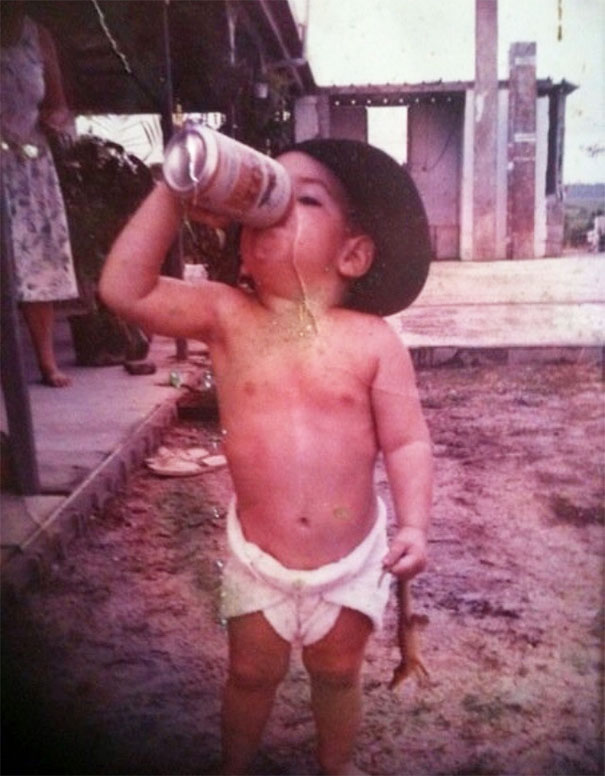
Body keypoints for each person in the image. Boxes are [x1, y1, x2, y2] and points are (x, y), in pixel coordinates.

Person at [100, 136, 434, 775]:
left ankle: (335, 765)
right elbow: (123, 289)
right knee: (251, 673)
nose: (274, 208)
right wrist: (175, 190)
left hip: (349, 557)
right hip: (258, 558)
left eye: (303, 199)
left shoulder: (372, 341)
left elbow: (407, 440)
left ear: (353, 253)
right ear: (245, 250)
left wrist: (414, 524)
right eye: (265, 196)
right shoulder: (227, 315)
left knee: (337, 672)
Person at [1, 3, 79, 387]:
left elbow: (58, 105)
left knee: (38, 259)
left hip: (30, 163)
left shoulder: (39, 37)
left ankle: (47, 362)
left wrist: (58, 120)